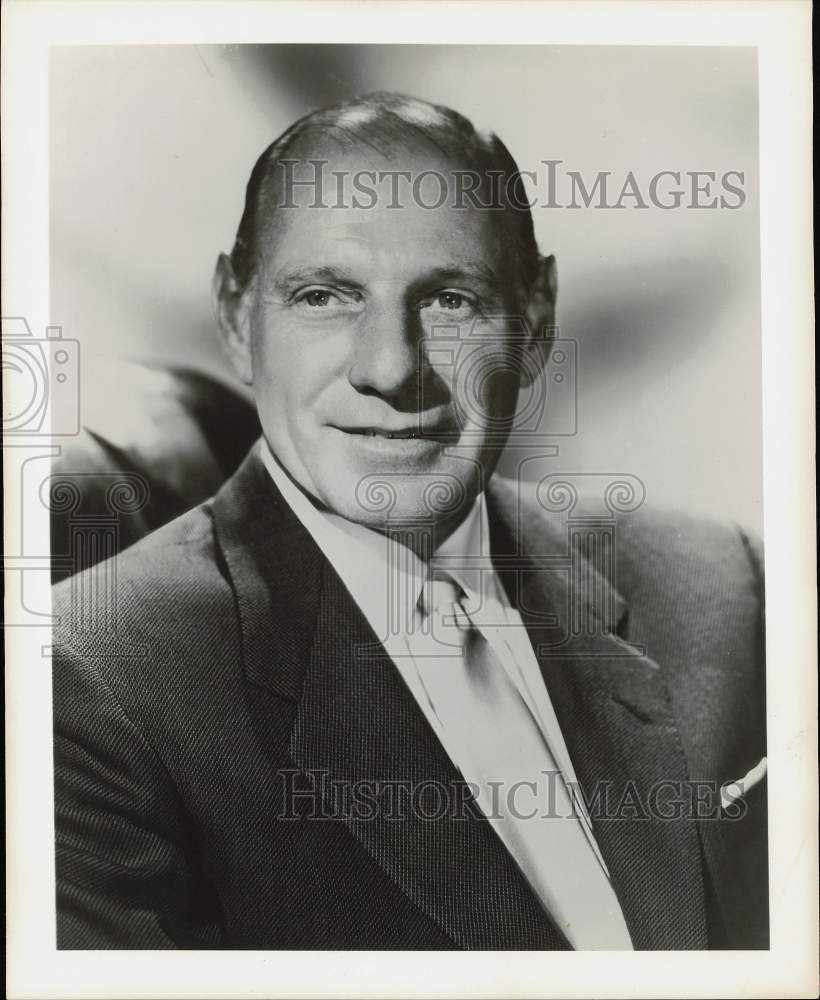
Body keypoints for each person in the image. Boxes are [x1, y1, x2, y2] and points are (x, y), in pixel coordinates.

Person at [52, 92, 767, 950]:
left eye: (451, 302)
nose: (391, 368)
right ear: (237, 318)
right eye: (324, 296)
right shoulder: (92, 688)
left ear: (535, 321)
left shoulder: (723, 586)